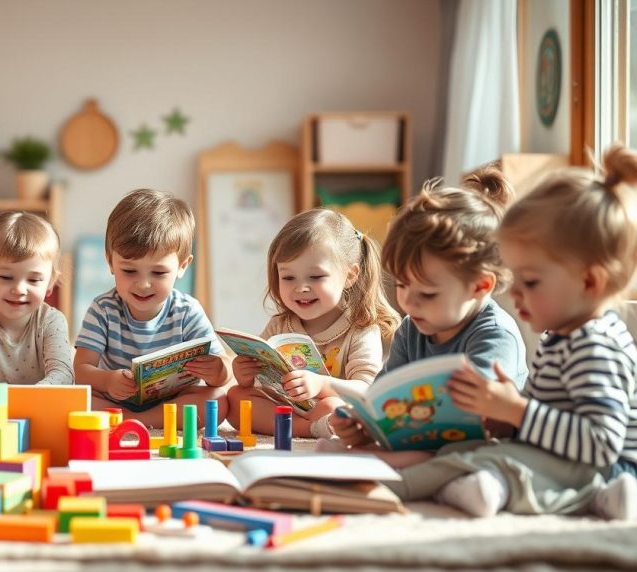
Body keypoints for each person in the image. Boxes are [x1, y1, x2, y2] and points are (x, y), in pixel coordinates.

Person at [397, 146, 637, 519]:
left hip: (610, 467)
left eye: (531, 281)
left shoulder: (594, 344)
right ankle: (586, 497)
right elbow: (549, 420)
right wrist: (506, 417)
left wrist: (517, 410)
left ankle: (399, 487)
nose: (516, 294)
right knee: (477, 454)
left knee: (486, 462)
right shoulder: (563, 336)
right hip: (573, 463)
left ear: (589, 282)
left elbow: (600, 443)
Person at [330, 168, 529, 467]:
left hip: (486, 450)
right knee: (351, 450)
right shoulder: (411, 329)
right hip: (427, 441)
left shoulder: (496, 334)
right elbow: (382, 397)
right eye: (401, 285)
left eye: (428, 294)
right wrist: (362, 422)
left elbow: (474, 414)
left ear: (480, 286)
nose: (408, 302)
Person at [225, 208, 399, 438]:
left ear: (349, 276)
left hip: (330, 408)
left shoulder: (361, 327)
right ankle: (307, 429)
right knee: (236, 397)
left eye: (315, 277)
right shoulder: (280, 324)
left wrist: (320, 384)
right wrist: (245, 374)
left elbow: (366, 390)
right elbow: (260, 384)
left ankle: (313, 425)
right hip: (288, 409)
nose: (301, 288)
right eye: (288, 277)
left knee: (337, 408)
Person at [74, 189, 230, 428]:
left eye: (158, 273)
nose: (143, 284)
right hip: (114, 400)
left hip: (171, 402)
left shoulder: (187, 311)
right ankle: (132, 419)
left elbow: (223, 371)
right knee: (72, 400)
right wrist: (108, 381)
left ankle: (136, 422)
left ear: (182, 266)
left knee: (218, 400)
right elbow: (81, 370)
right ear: (110, 262)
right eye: (129, 271)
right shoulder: (103, 309)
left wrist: (217, 371)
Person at [0, 211, 73, 385]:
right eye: (6, 277)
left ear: (50, 283)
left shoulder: (52, 321)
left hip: (35, 408)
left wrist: (28, 399)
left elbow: (64, 376)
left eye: (34, 280)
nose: (19, 289)